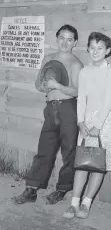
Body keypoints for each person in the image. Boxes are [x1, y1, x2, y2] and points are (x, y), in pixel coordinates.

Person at [12, 24, 83, 205]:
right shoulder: (48, 59)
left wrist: (58, 86)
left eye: (69, 39)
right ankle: (32, 189)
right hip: (50, 109)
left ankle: (62, 189)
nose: (65, 42)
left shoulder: (76, 63)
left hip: (69, 109)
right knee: (44, 150)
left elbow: (77, 91)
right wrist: (43, 86)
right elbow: (38, 83)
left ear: (74, 42)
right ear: (56, 38)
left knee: (69, 152)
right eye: (62, 38)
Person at [63, 32, 111, 219]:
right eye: (92, 47)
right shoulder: (84, 71)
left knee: (98, 163)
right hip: (86, 122)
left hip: (105, 123)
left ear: (108, 51)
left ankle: (86, 203)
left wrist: (98, 126)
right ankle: (74, 203)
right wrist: (80, 121)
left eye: (100, 48)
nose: (95, 51)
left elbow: (108, 101)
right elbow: (81, 98)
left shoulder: (109, 72)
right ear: (88, 49)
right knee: (82, 163)